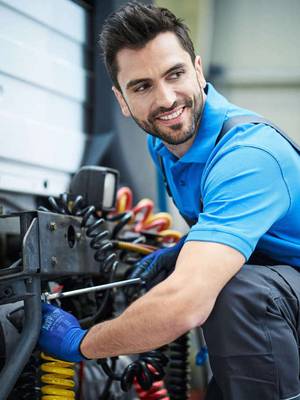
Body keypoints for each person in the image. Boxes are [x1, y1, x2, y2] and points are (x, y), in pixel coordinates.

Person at [38, 2, 300, 399]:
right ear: (121, 100)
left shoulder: (249, 155)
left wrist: (81, 342)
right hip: (281, 304)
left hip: (277, 302)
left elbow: (186, 305)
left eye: (174, 74)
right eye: (142, 86)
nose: (166, 99)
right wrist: (180, 251)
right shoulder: (162, 144)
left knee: (237, 292)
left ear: (197, 69)